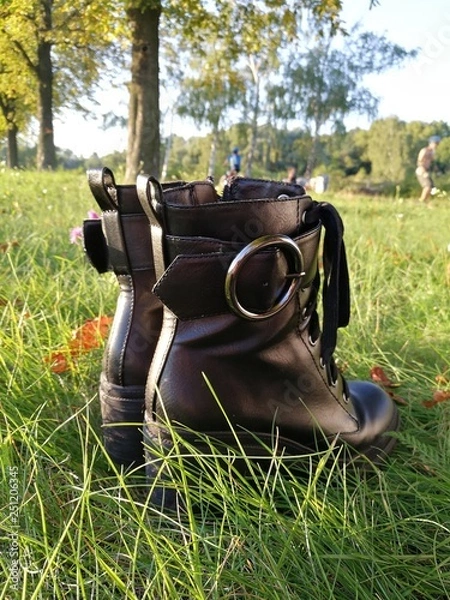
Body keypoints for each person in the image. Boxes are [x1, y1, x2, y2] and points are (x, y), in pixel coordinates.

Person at [416, 136, 440, 202]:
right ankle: (421, 201)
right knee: (427, 186)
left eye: (437, 144)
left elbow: (432, 163)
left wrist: (437, 171)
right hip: (421, 171)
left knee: (432, 188)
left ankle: (425, 201)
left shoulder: (432, 152)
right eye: (435, 144)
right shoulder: (424, 150)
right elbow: (419, 161)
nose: (436, 146)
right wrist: (424, 171)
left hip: (426, 170)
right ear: (431, 143)